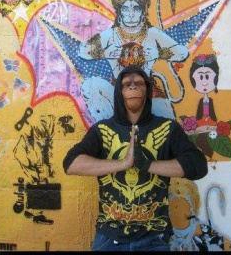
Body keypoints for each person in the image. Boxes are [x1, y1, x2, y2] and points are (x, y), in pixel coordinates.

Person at [63, 66, 207, 251]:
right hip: (109, 237)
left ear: (147, 90)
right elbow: (71, 163)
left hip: (154, 237)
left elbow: (198, 166)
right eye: (126, 84)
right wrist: (123, 163)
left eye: (139, 83)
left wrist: (146, 164)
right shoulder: (102, 130)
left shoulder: (168, 128)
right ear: (119, 92)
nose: (133, 87)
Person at [78, 0, 188, 121]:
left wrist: (159, 53)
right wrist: (104, 52)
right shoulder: (111, 34)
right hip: (118, 91)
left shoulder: (152, 34)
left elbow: (182, 52)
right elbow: (83, 51)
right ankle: (113, 125)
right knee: (90, 85)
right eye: (126, 9)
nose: (130, 15)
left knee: (167, 124)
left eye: (136, 9)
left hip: (147, 92)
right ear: (120, 11)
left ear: (143, 11)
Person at [189, 53, 219, 128]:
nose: (204, 83)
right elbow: (199, 111)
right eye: (200, 77)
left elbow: (212, 111)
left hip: (210, 120)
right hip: (201, 121)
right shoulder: (201, 100)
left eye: (208, 76)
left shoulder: (210, 100)